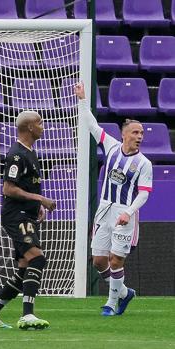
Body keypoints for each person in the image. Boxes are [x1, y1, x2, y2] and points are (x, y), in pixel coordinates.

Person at [75, 82, 151, 316]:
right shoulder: (111, 146)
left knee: (116, 259)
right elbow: (90, 124)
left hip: (124, 213)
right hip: (104, 209)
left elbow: (144, 193)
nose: (139, 136)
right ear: (124, 134)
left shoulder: (144, 163)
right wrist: (83, 99)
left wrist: (128, 212)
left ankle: (111, 302)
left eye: (141, 133)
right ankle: (124, 292)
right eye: (135, 132)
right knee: (99, 261)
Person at [0, 110, 56, 330]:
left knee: (23, 270)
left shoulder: (31, 152)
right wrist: (40, 198)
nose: (43, 126)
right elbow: (8, 188)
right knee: (37, 259)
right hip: (16, 216)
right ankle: (27, 315)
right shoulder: (16, 155)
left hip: (27, 214)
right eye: (40, 123)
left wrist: (36, 205)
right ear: (30, 127)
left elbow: (25, 186)